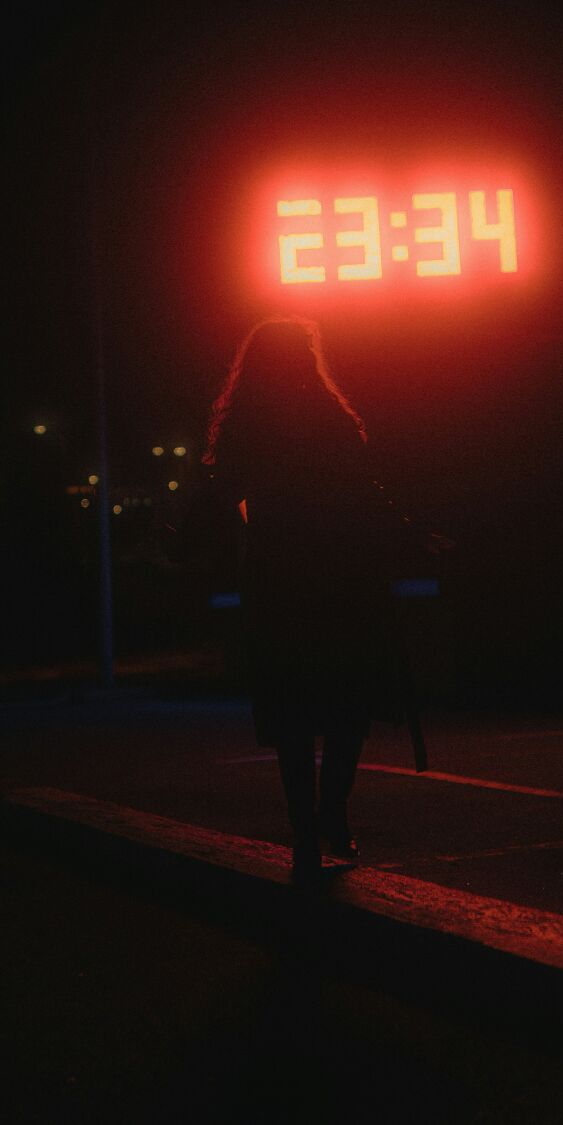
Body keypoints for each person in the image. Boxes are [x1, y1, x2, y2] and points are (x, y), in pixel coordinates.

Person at [203, 316, 408, 885]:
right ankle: (331, 815)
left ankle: (305, 831)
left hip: (277, 584)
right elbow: (363, 489)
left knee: (291, 715)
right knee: (346, 707)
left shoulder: (246, 424)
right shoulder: (326, 416)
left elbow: (222, 493)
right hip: (338, 580)